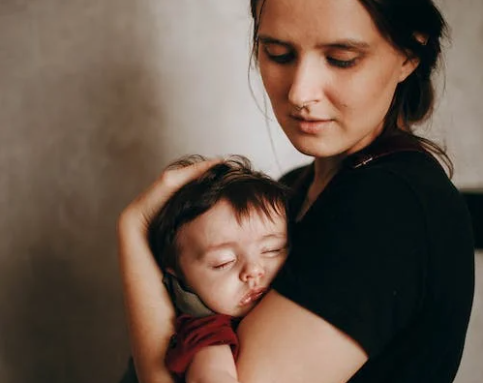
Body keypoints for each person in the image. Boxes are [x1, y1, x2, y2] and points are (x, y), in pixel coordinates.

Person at [117, 0, 475, 382]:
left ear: (409, 54)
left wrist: (134, 231)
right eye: (279, 54)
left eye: (340, 58)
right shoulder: (293, 188)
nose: (300, 93)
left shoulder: (389, 205)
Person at [150, 155, 289, 382]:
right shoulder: (206, 334)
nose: (254, 270)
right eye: (223, 262)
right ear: (180, 275)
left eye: (272, 250)